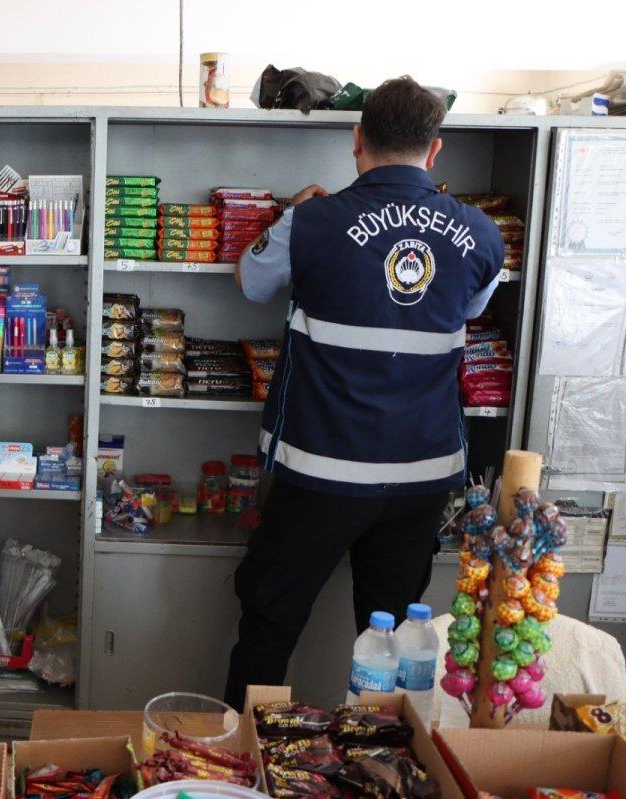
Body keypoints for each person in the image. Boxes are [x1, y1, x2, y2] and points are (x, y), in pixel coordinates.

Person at [224, 76, 504, 709]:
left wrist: (288, 215)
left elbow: (250, 281)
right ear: (435, 149)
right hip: (418, 480)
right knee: (393, 648)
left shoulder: (312, 222)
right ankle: (382, 758)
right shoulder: (482, 235)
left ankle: (243, 755)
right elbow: (469, 306)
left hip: (320, 471)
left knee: (269, 626)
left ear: (357, 139)